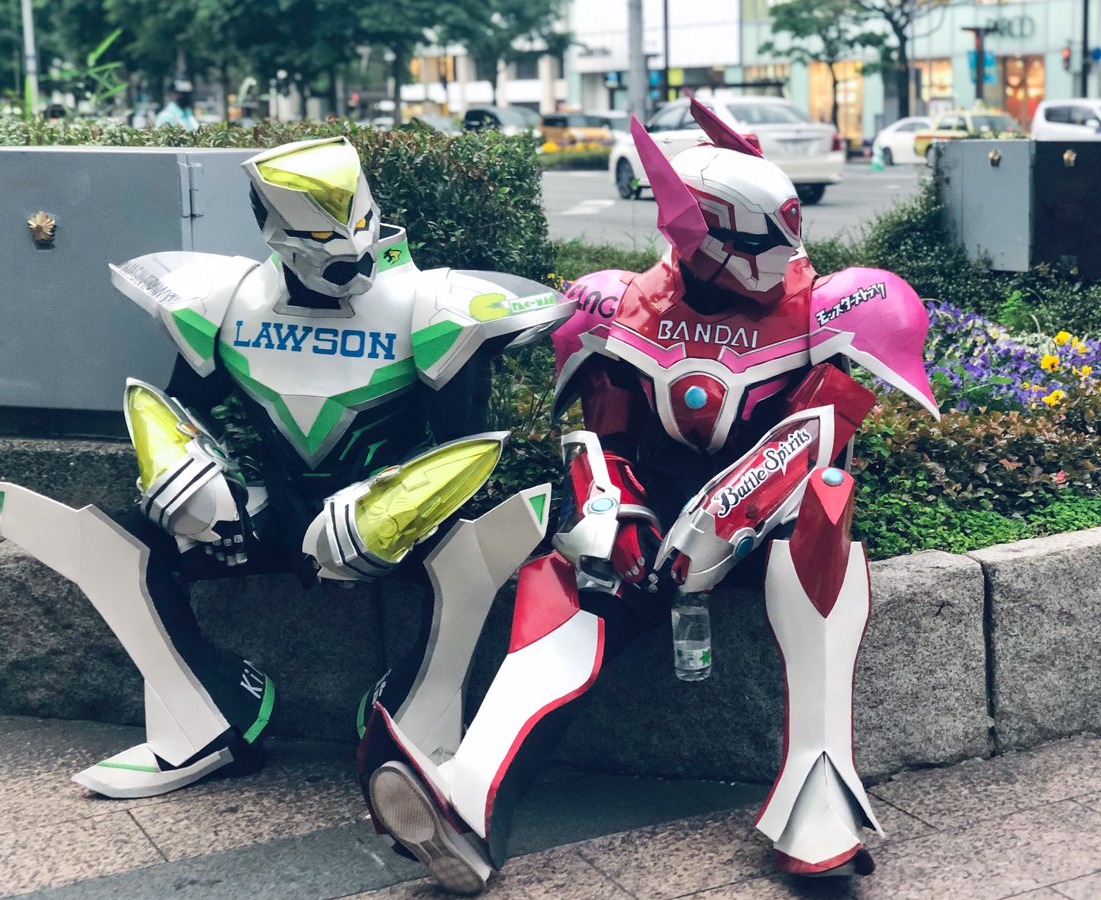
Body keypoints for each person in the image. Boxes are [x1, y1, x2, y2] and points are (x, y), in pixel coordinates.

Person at [357, 99, 941, 894]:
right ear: (700, 233)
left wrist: (728, 514)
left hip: (767, 530)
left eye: (785, 232)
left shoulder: (831, 305)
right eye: (757, 239)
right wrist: (610, 510)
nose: (782, 255)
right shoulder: (619, 304)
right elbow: (606, 433)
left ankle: (820, 799)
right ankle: (468, 800)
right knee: (568, 579)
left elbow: (823, 433)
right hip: (652, 529)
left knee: (825, 507)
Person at [0, 136, 573, 798]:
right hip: (268, 512)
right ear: (272, 228)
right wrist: (188, 479)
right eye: (321, 236)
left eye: (359, 224)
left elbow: (464, 450)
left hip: (390, 522)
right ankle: (211, 720)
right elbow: (177, 409)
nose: (349, 251)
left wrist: (388, 512)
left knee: (473, 554)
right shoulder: (224, 298)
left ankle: (416, 728)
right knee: (114, 546)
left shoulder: (434, 307)